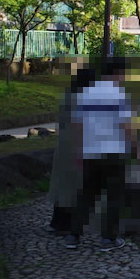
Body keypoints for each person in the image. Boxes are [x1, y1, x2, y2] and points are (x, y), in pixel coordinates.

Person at [68, 56, 139, 250]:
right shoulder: (118, 94)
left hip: (90, 151)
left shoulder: (87, 93)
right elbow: (126, 125)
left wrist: (78, 150)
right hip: (113, 151)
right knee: (114, 196)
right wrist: (135, 147)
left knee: (86, 194)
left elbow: (77, 125)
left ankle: (74, 235)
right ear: (118, 73)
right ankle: (108, 238)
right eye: (124, 74)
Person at [47, 64, 94, 234]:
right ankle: (70, 225)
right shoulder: (83, 99)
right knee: (74, 186)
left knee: (63, 185)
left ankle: (58, 222)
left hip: (64, 147)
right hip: (77, 147)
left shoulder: (68, 96)